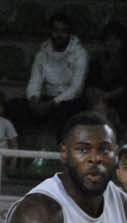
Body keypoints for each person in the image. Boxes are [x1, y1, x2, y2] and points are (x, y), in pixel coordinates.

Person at [9, 13, 89, 146]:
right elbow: (35, 81)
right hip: (46, 99)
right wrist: (33, 99)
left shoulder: (80, 54)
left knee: (66, 114)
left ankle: (62, 157)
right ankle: (16, 153)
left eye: (63, 31)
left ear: (69, 33)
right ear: (50, 31)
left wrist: (52, 103)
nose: (59, 35)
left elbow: (76, 89)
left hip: (68, 100)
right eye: (55, 30)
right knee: (13, 107)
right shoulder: (42, 54)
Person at [85, 21, 127, 137]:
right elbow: (90, 83)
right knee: (96, 108)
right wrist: (98, 97)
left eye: (116, 40)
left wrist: (107, 96)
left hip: (122, 102)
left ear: (122, 42)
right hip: (98, 100)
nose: (112, 43)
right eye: (108, 40)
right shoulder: (97, 59)